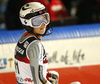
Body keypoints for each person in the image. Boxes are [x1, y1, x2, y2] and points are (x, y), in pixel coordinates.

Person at [14, 2, 59, 84]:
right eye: (37, 21)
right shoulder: (35, 45)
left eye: (44, 18)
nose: (43, 24)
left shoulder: (24, 37)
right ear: (27, 23)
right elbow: (39, 81)